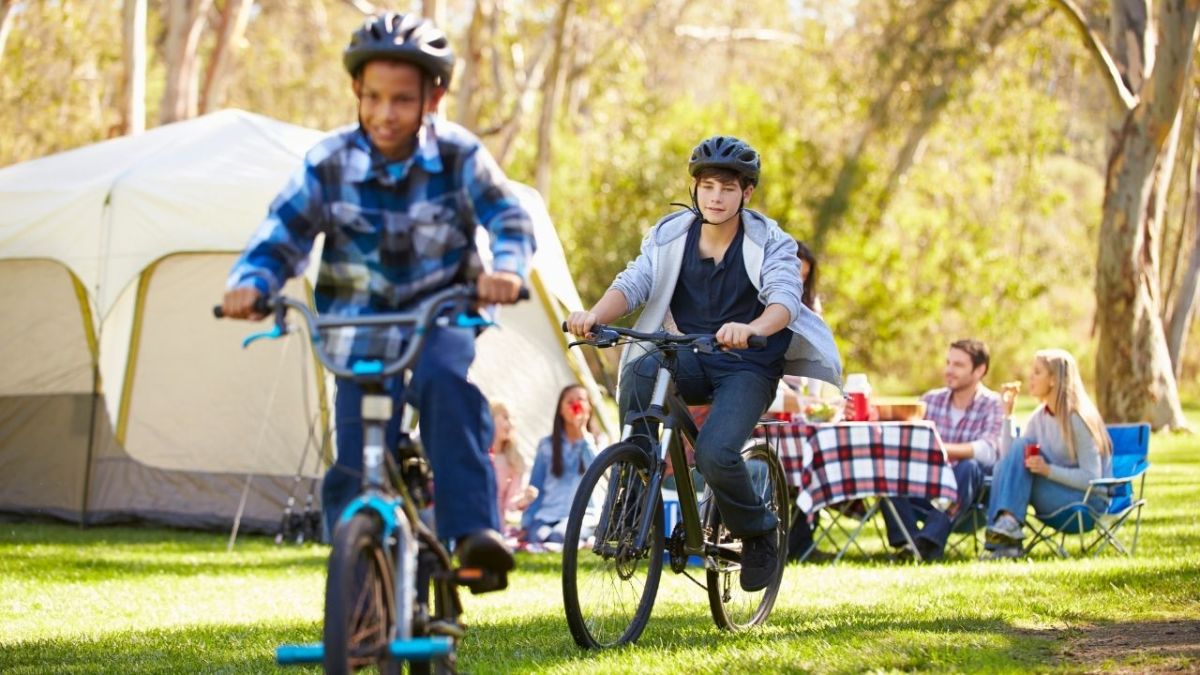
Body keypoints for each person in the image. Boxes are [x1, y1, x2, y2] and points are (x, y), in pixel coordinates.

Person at [220, 12, 535, 584]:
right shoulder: (330, 161)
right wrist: (254, 282)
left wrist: (507, 270)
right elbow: (281, 231)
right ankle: (358, 582)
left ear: (432, 98)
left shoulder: (459, 156)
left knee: (446, 388)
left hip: (439, 315)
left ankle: (473, 533)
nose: (385, 114)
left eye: (401, 100)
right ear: (356, 94)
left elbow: (507, 216)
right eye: (373, 98)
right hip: (357, 325)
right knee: (358, 451)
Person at [565, 135, 842, 591]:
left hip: (748, 365)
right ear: (694, 188)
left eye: (728, 188)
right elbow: (634, 282)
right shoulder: (671, 233)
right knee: (638, 369)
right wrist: (594, 315)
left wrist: (753, 329)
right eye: (708, 186)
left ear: (747, 193)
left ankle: (758, 531)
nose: (716, 197)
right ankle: (633, 495)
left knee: (714, 454)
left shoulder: (772, 241)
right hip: (692, 352)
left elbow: (785, 300)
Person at [882, 339, 1005, 561]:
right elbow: (909, 442)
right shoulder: (930, 400)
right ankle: (908, 543)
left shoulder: (993, 403)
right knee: (886, 467)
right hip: (925, 485)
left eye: (958, 365)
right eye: (948, 362)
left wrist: (938, 449)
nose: (949, 370)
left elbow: (989, 450)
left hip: (966, 494)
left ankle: (926, 543)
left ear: (980, 370)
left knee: (969, 466)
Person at [984, 348, 1112, 559]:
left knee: (1016, 455)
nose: (1030, 378)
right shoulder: (1040, 416)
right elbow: (1009, 460)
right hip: (1057, 496)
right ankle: (1005, 537)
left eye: (1037, 372)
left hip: (1086, 503)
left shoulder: (1077, 418)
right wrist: (1008, 415)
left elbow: (1092, 478)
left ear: (1053, 379)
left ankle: (1000, 534)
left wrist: (1047, 470)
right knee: (1011, 456)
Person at [521, 384, 599, 547]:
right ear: (561, 410)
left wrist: (583, 434)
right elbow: (536, 486)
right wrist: (526, 522)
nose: (575, 405)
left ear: (589, 408)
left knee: (559, 536)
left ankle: (574, 539)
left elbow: (597, 470)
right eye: (569, 402)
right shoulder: (546, 445)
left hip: (580, 516)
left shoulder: (595, 443)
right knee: (537, 536)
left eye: (580, 400)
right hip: (547, 515)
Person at [489, 401, 534, 537]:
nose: (512, 423)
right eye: (506, 417)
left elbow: (510, 504)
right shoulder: (478, 454)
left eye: (513, 419)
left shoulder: (513, 461)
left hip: (496, 526)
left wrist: (524, 499)